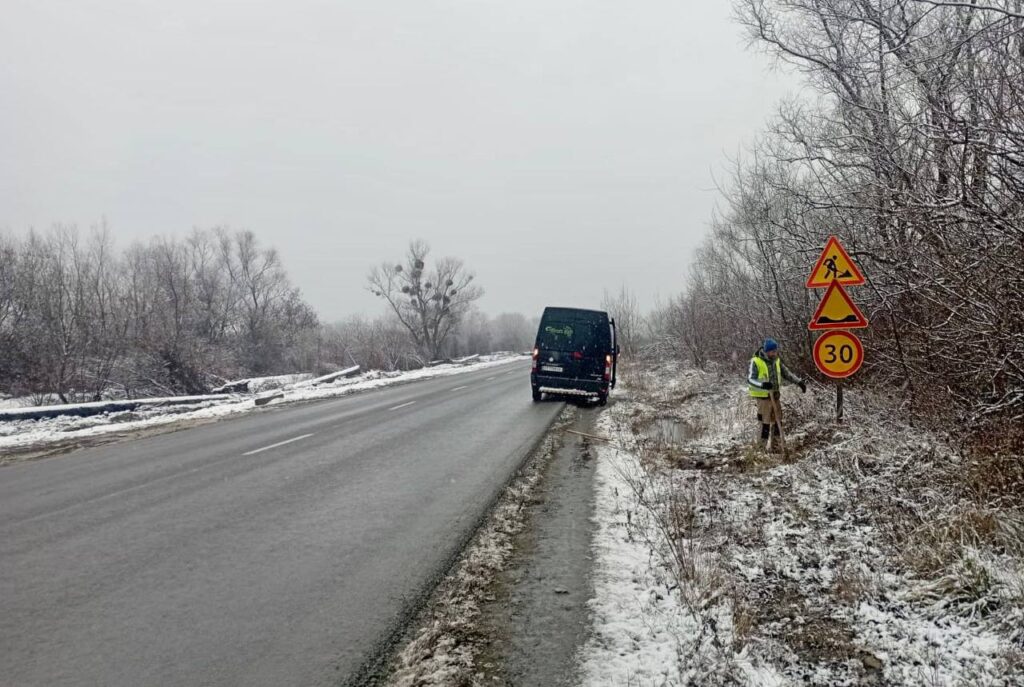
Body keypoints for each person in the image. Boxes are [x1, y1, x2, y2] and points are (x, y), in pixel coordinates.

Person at [747, 338, 807, 451]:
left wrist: (799, 382)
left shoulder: (777, 360)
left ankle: (776, 447)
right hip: (763, 398)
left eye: (776, 351)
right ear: (766, 350)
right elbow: (750, 379)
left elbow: (787, 373)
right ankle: (761, 449)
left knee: (778, 421)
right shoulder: (756, 361)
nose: (774, 353)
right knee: (765, 423)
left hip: (775, 396)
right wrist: (763, 385)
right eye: (772, 351)